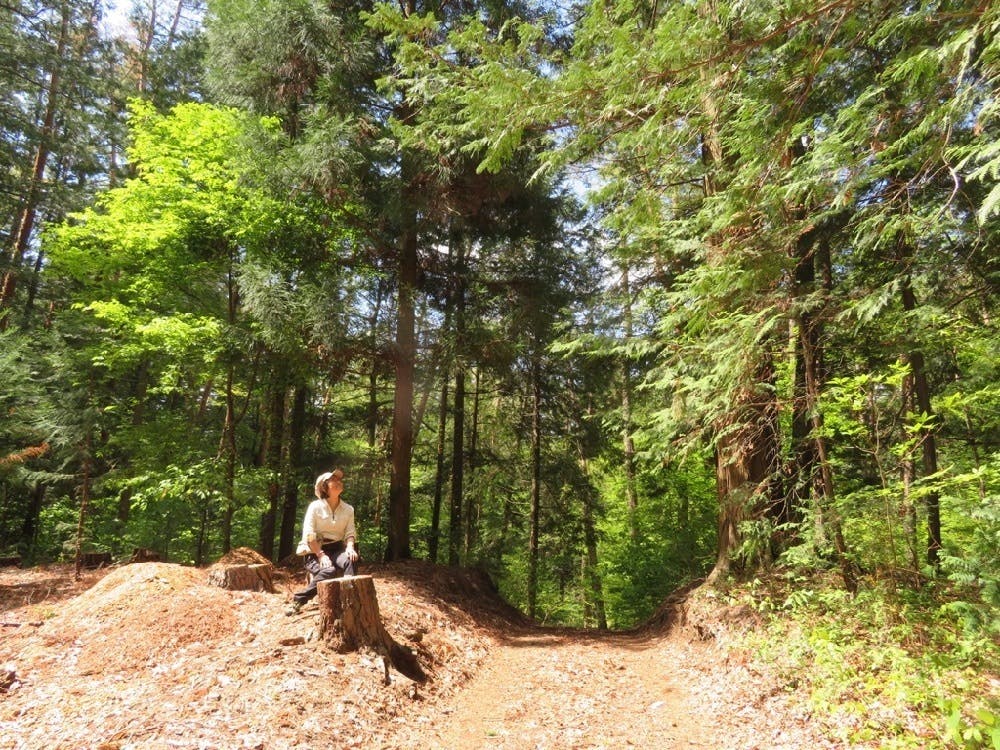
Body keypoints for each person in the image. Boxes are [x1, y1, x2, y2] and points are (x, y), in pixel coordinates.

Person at [286, 468, 359, 615]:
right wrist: (320, 555)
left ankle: (348, 598)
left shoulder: (348, 509)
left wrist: (350, 547)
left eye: (339, 480)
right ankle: (298, 600)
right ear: (324, 487)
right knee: (329, 570)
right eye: (333, 480)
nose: (338, 482)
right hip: (314, 550)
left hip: (337, 549)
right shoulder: (315, 507)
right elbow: (309, 534)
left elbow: (350, 532)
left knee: (350, 560)